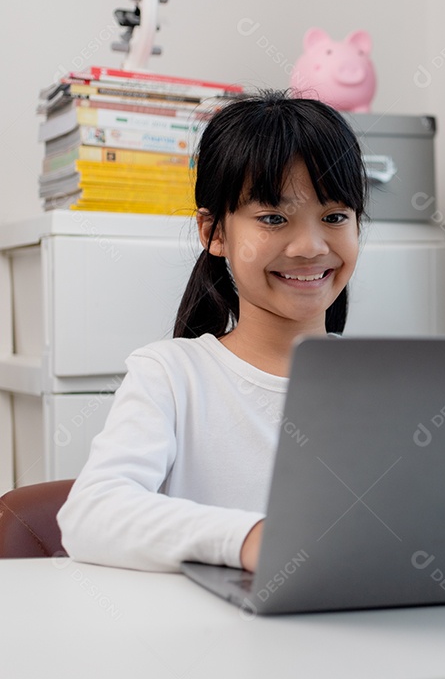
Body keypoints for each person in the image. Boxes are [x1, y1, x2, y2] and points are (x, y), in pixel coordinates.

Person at [57, 91, 367, 573]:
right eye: (273, 218)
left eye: (334, 217)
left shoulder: (387, 379)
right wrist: (250, 539)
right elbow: (89, 515)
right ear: (213, 233)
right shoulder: (171, 376)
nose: (310, 246)